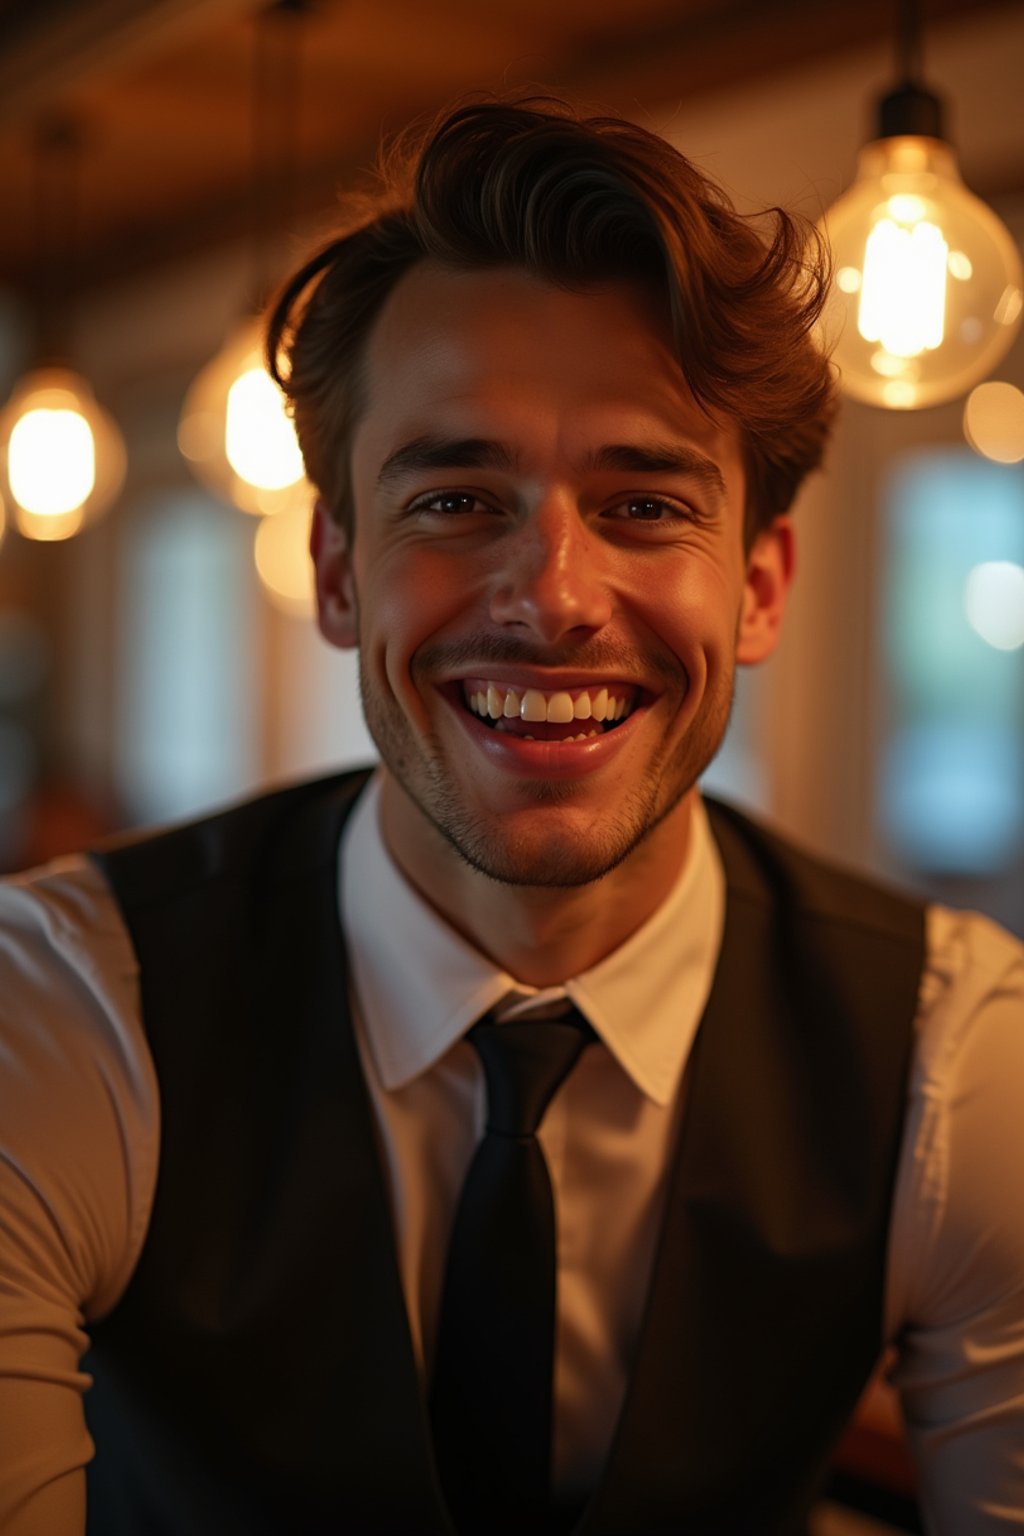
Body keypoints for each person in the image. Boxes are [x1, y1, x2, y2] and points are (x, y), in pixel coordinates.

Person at [1, 96, 1022, 1536]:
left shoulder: (958, 1053)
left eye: (648, 505)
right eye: (457, 498)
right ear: (339, 576)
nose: (550, 596)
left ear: (764, 587)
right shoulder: (61, 1005)